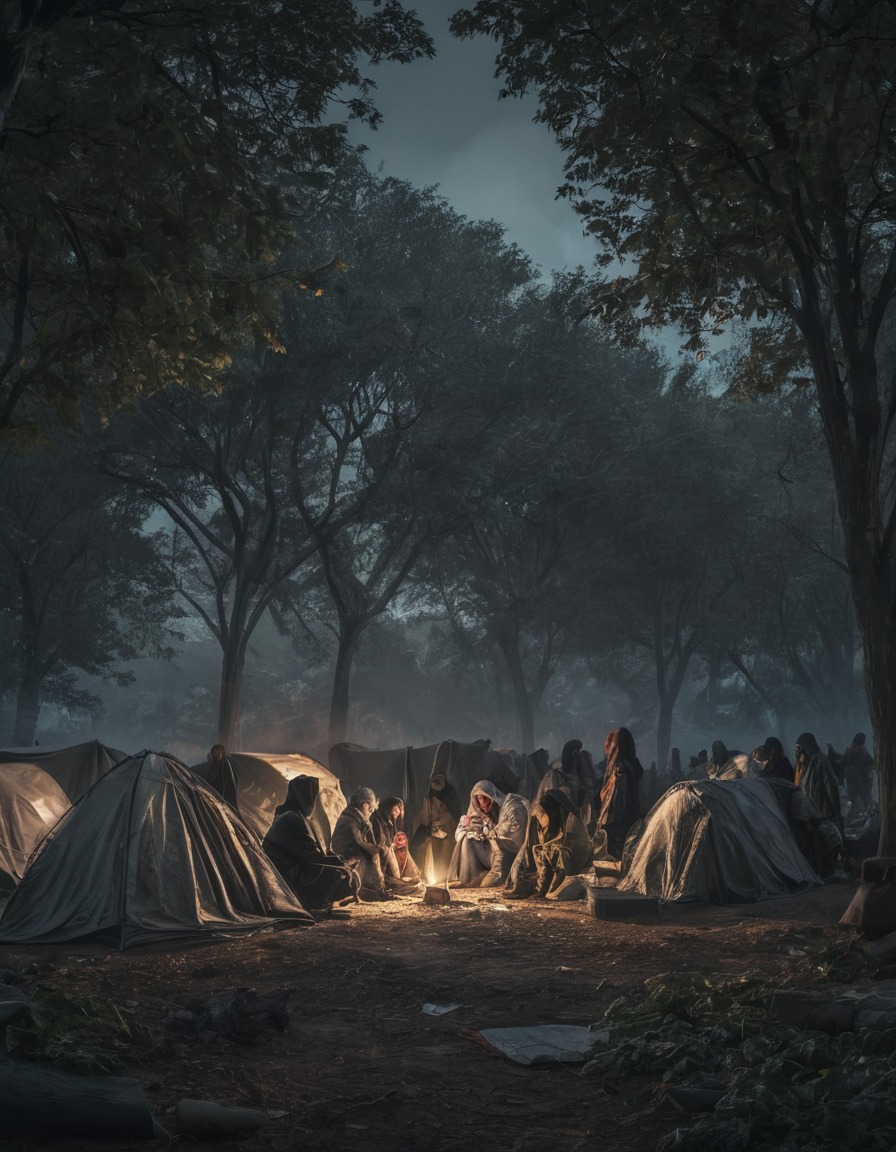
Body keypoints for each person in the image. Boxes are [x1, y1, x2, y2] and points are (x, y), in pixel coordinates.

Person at [262, 776, 357, 912]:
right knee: (333, 871)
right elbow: (308, 854)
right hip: (284, 870)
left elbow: (309, 849)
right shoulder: (291, 818)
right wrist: (340, 863)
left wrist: (334, 858)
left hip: (289, 864)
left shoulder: (295, 815)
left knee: (338, 868)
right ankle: (315, 904)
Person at [509, 788, 593, 900]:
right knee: (543, 856)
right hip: (554, 860)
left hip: (574, 864)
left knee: (558, 854)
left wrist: (552, 850)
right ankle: (538, 888)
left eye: (546, 811)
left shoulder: (571, 821)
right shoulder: (548, 819)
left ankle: (546, 890)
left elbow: (578, 847)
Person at [448, 779, 528, 888]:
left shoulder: (508, 807)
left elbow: (513, 831)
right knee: (467, 839)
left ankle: (494, 875)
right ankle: (468, 878)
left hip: (506, 854)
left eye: (486, 798)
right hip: (490, 852)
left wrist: (493, 833)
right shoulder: (478, 810)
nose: (483, 802)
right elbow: (467, 830)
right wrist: (469, 829)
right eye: (480, 798)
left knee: (487, 884)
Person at [331, 787, 393, 902]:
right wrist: (377, 849)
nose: (371, 812)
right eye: (371, 809)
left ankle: (378, 889)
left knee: (374, 852)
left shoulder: (354, 817)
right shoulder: (351, 820)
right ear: (365, 805)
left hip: (351, 853)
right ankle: (378, 891)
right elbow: (360, 843)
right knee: (373, 854)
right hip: (347, 857)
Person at [794, 732, 843, 873]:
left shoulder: (821, 760)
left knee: (825, 843)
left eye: (800, 747)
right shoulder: (803, 763)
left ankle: (826, 871)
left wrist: (836, 811)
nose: (799, 751)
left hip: (822, 812)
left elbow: (831, 786)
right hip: (809, 814)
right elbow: (797, 785)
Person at [598, 727, 644, 859]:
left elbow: (619, 804)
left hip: (619, 828)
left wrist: (607, 827)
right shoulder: (629, 765)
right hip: (629, 824)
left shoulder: (621, 769)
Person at [411, 772, 461, 883]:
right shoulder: (428, 798)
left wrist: (441, 825)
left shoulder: (450, 796)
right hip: (432, 830)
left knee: (446, 845)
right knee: (420, 844)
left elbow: (452, 816)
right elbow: (425, 820)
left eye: (439, 780)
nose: (437, 783)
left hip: (448, 829)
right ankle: (425, 875)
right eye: (434, 780)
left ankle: (444, 876)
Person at [371, 796, 423, 894]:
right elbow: (380, 843)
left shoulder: (389, 822)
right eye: (395, 809)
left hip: (388, 852)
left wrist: (396, 843)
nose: (397, 812)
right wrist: (390, 846)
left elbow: (390, 840)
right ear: (387, 808)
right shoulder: (377, 821)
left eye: (399, 809)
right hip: (380, 857)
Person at [202, 743, 240, 812]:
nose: (218, 754)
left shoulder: (226, 765)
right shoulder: (213, 766)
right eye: (216, 752)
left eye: (219, 751)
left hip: (226, 796)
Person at [843, 732, 874, 815]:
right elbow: (845, 763)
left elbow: (870, 762)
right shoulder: (849, 749)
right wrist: (850, 753)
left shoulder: (863, 750)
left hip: (863, 780)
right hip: (852, 781)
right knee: (854, 801)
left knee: (866, 800)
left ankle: (867, 817)